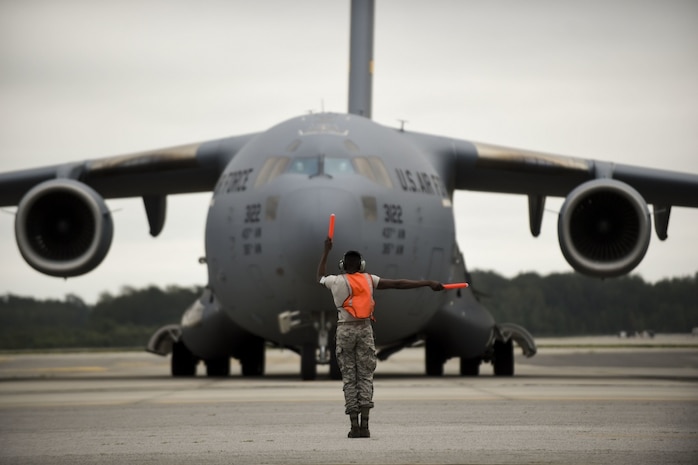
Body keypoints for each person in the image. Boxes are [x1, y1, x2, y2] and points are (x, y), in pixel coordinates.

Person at [317, 236, 444, 438]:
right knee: (366, 376)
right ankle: (365, 426)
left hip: (345, 330)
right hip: (365, 329)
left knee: (350, 379)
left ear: (342, 265)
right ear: (361, 265)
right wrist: (428, 283)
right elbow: (399, 284)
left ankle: (353, 427)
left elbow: (320, 276)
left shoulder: (336, 281)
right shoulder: (369, 279)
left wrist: (326, 251)